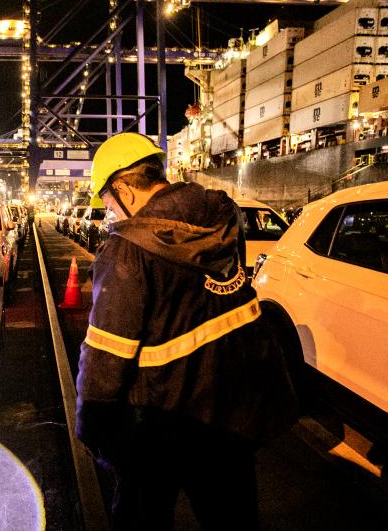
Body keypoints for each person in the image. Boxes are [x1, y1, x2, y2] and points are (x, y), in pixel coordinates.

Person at [75, 132, 299, 530]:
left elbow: (105, 359)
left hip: (160, 425)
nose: (110, 214)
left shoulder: (127, 251)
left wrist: (93, 429)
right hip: (232, 416)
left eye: (108, 203)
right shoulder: (223, 219)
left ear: (124, 189)